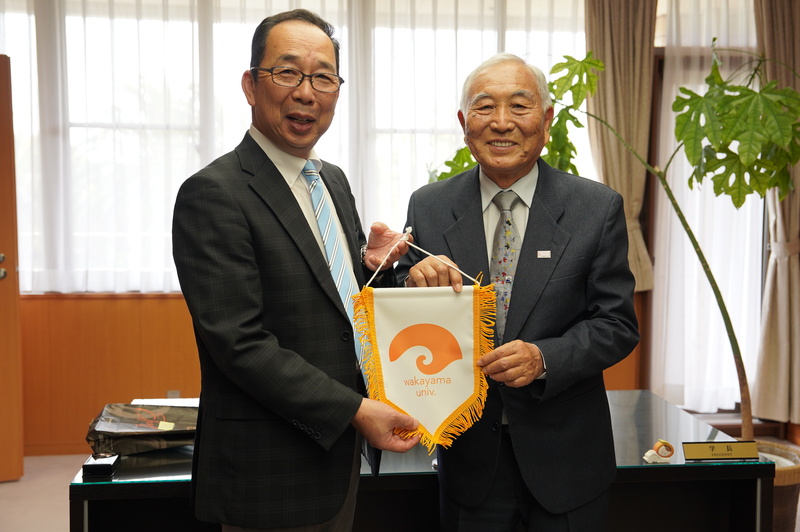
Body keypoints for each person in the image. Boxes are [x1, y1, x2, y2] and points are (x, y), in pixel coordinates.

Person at [172, 9, 420, 532]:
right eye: (287, 72)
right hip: (267, 472)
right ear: (250, 85)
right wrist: (356, 410)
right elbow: (240, 344)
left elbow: (331, 302)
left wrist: (372, 266)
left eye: (323, 77)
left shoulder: (332, 181)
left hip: (337, 459)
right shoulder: (214, 193)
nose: (307, 93)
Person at [397, 53, 640, 531]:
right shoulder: (429, 206)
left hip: (567, 459)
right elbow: (403, 317)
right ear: (464, 124)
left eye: (520, 106)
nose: (502, 122)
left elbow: (616, 325)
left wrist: (544, 358)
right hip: (469, 460)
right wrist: (406, 280)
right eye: (485, 107)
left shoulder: (596, 208)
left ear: (546, 121)